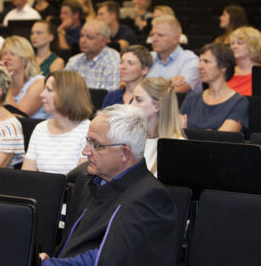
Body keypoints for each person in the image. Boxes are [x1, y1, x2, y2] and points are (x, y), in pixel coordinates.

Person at [40, 104, 177, 265]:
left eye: (96, 145)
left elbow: (108, 259)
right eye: (87, 141)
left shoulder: (151, 198)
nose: (85, 151)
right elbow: (72, 247)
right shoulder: (88, 183)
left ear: (124, 153)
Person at [22, 71, 92, 175]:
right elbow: (26, 177)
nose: (41, 94)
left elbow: (80, 179)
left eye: (49, 90)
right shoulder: (40, 128)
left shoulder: (89, 130)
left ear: (67, 94)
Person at [181, 43, 249, 132]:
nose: (200, 66)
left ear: (224, 66)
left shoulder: (239, 102)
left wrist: (189, 133)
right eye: (200, 61)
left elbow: (222, 140)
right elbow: (177, 134)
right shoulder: (191, 98)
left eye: (206, 61)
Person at [132, 78, 185, 176]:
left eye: (138, 100)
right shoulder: (131, 138)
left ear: (157, 106)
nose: (132, 105)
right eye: (133, 99)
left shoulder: (177, 145)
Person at [146, 15, 201, 93]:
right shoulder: (148, 57)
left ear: (175, 39)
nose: (154, 39)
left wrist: (146, 85)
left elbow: (179, 90)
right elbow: (131, 85)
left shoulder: (190, 60)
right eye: (152, 35)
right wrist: (168, 82)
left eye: (160, 35)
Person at [65, 19, 120, 91]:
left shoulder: (114, 61)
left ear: (103, 41)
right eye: (81, 36)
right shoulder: (74, 61)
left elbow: (112, 97)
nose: (82, 41)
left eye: (89, 37)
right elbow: (63, 90)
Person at [2, 36, 48, 119]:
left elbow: (18, 116)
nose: (6, 58)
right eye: (4, 54)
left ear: (25, 59)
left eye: (12, 54)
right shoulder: (4, 82)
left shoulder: (39, 83)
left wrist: (4, 81)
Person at [228, 26, 261, 96]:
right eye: (232, 43)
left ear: (253, 45)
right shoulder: (226, 71)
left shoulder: (259, 72)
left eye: (240, 43)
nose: (234, 46)